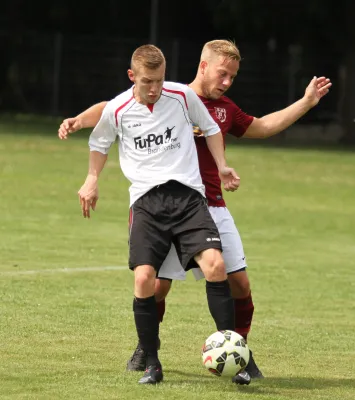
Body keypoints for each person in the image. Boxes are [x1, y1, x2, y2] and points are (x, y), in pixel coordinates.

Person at [58, 40, 331, 385]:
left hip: (206, 204)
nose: (228, 81)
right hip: (160, 204)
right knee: (156, 287)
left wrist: (306, 102)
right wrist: (80, 122)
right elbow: (112, 107)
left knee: (237, 281)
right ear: (203, 66)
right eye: (223, 74)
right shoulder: (171, 94)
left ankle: (238, 352)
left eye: (233, 76)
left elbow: (261, 126)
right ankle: (147, 349)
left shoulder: (223, 108)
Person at [72, 44, 241, 385]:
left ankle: (233, 353)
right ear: (133, 76)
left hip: (189, 199)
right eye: (147, 81)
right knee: (144, 279)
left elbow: (209, 128)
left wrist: (222, 166)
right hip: (147, 203)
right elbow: (100, 143)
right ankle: (151, 361)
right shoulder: (118, 109)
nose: (154, 89)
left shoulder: (180, 96)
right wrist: (91, 180)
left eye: (160, 80)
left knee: (216, 266)